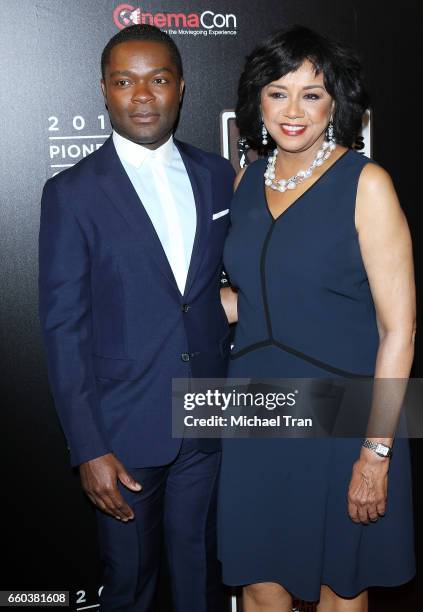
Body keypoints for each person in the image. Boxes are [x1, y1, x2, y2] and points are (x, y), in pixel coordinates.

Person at [219, 25, 416, 612]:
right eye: (278, 92)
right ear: (258, 101)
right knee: (258, 582)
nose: (294, 110)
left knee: (340, 586)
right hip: (254, 408)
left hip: (345, 415)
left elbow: (399, 330)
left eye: (312, 93)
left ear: (336, 103)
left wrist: (375, 452)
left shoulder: (367, 184)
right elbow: (252, 299)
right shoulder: (248, 178)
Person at [39, 24, 234, 612]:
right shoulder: (71, 193)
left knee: (203, 581)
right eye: (125, 81)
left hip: (209, 421)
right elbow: (62, 328)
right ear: (104, 90)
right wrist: (88, 448)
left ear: (181, 88)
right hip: (122, 436)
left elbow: (222, 284)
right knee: (129, 588)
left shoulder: (215, 175)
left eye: (158, 79)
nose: (142, 95)